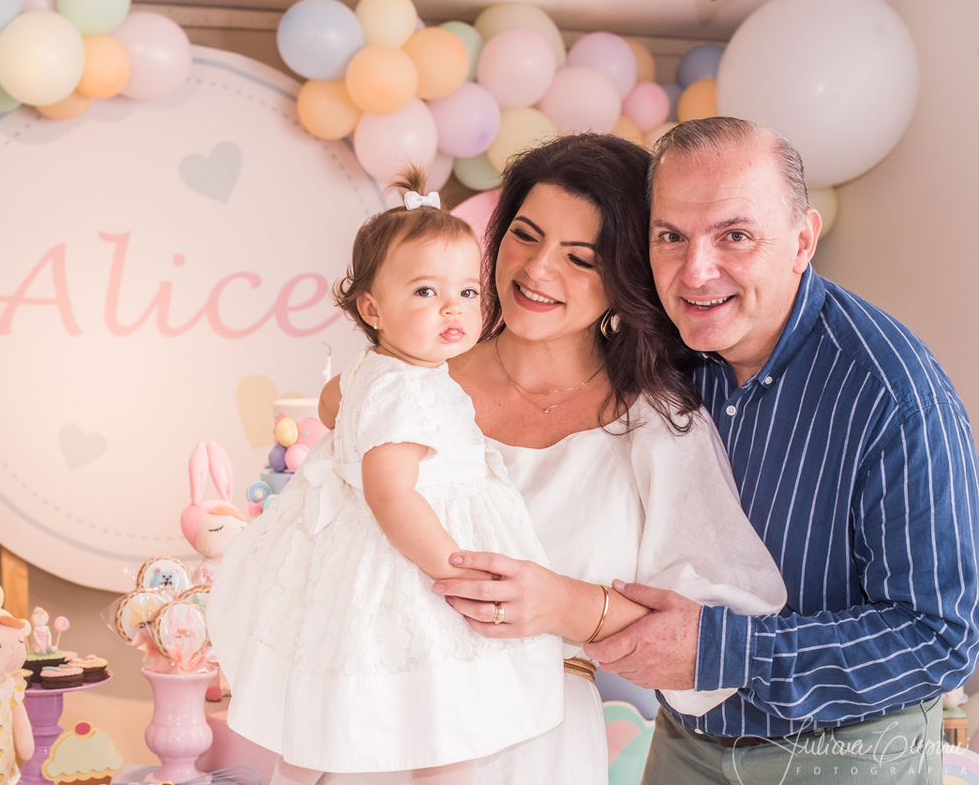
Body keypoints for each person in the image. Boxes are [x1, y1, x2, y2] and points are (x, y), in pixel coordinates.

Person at [319, 134, 787, 785]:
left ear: (625, 277)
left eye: (580, 257)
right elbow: (322, 548)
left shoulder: (657, 425)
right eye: (525, 235)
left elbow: (720, 636)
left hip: (539, 745)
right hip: (379, 730)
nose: (537, 270)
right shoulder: (405, 384)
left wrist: (566, 606)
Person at [583, 116, 979, 784]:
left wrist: (721, 650)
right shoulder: (655, 349)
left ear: (802, 242)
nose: (695, 271)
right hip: (685, 736)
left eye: (734, 235)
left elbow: (940, 636)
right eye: (671, 236)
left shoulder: (894, 395)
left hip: (847, 749)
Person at [208, 170, 568, 785]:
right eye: (426, 291)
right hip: (415, 566)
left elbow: (329, 405)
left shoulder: (372, 369)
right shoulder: (410, 392)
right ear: (372, 308)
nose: (453, 308)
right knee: (445, 718)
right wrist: (457, 571)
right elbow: (390, 492)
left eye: (467, 291)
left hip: (355, 562)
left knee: (337, 716)